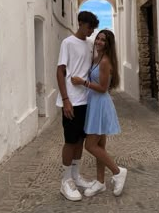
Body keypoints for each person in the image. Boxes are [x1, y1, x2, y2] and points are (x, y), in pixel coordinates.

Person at [71, 29, 127, 197]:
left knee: (90, 145)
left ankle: (117, 172)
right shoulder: (97, 58)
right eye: (98, 39)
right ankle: (100, 182)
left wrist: (83, 82)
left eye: (103, 40)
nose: (99, 42)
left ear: (108, 44)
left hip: (100, 104)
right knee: (100, 146)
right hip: (94, 103)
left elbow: (103, 88)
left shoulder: (105, 61)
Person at [56, 11, 99, 201]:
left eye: (93, 29)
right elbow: (60, 71)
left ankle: (75, 176)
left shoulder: (90, 45)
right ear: (81, 23)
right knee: (70, 140)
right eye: (89, 27)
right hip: (72, 101)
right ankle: (65, 181)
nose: (91, 32)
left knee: (80, 140)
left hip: (86, 99)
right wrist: (65, 100)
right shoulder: (67, 43)